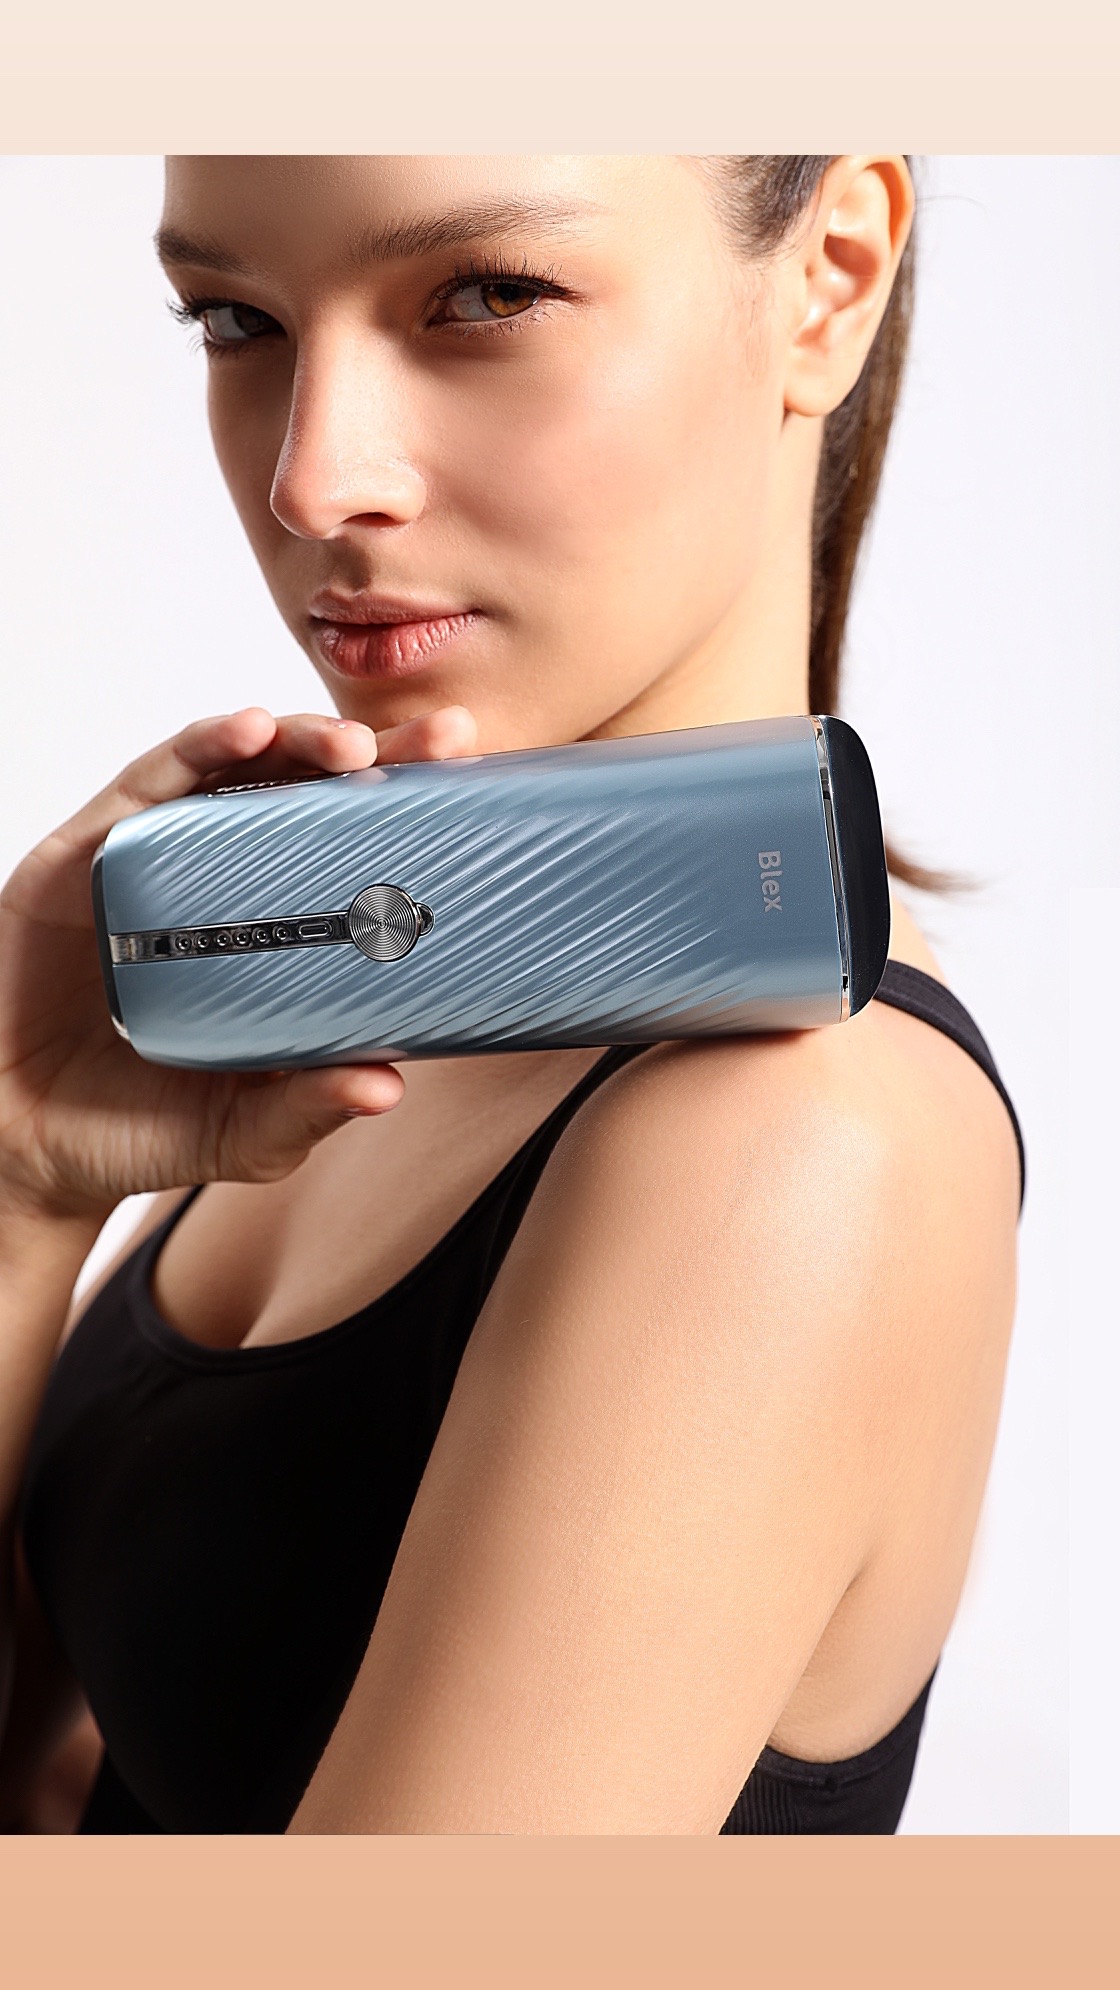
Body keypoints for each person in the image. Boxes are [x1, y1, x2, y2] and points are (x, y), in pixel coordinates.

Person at [0, 154, 1024, 1835]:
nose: (311, 480)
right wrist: (22, 1180)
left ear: (830, 276)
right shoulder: (350, 1002)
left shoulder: (781, 1147)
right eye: (237, 318)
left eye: (485, 295)